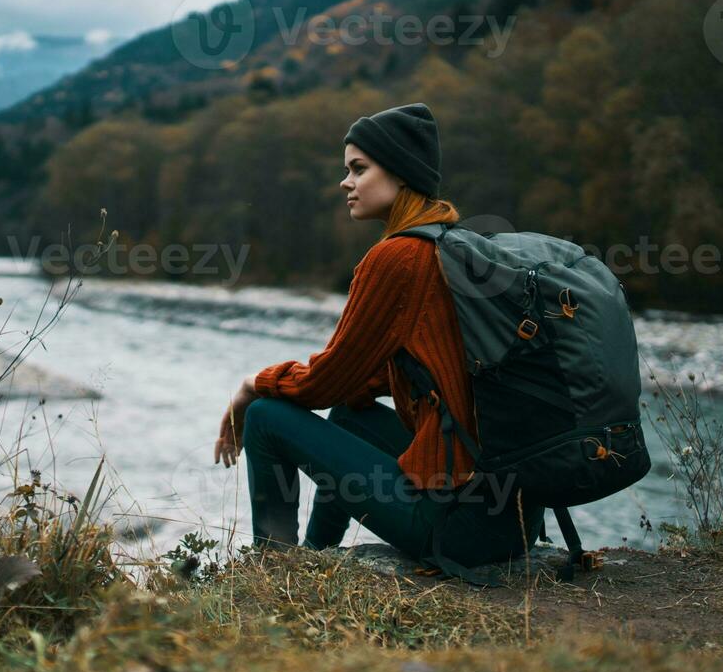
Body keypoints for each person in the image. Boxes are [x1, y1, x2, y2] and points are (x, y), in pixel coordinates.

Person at [211, 102, 540, 571]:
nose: (345, 182)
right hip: (510, 518)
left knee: (265, 416)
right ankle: (315, 559)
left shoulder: (399, 259)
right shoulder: (454, 248)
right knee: (351, 412)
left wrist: (250, 386)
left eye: (358, 169)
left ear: (402, 174)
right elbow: (369, 382)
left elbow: (321, 384)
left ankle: (274, 572)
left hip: (458, 528)